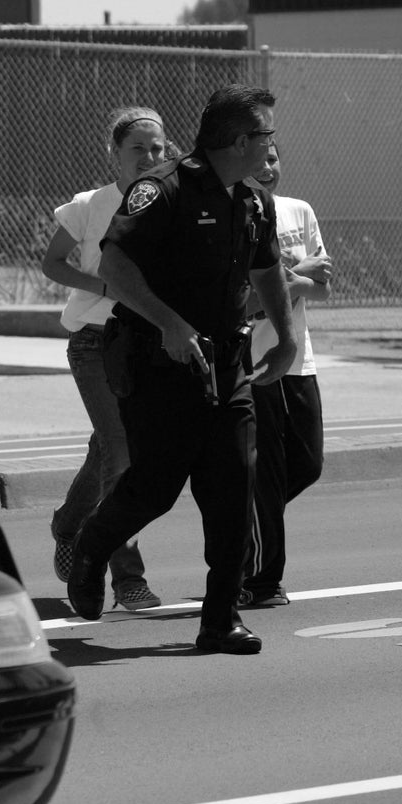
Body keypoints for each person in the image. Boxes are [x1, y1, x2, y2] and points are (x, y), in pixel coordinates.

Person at [65, 84, 296, 655]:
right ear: (242, 140)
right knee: (155, 487)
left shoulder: (252, 200)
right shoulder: (161, 189)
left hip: (228, 365)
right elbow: (115, 267)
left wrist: (286, 339)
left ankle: (219, 619)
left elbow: (267, 269)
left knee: (233, 484)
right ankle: (93, 546)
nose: (271, 145)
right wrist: (168, 323)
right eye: (266, 134)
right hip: (157, 361)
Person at [40, 107, 167, 612]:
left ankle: (68, 526)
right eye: (138, 148)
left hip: (147, 344)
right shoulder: (91, 206)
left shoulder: (171, 201)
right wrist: (104, 285)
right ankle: (125, 577)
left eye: (157, 148)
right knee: (122, 455)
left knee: (108, 449)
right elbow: (53, 263)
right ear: (114, 152)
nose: (150, 157)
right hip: (95, 342)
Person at [240, 143, 333, 606]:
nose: (267, 168)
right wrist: (296, 275)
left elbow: (323, 287)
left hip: (298, 359)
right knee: (267, 473)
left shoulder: (300, 211)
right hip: (254, 364)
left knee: (307, 464)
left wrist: (295, 281)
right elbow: (245, 299)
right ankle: (260, 581)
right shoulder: (234, 215)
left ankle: (242, 531)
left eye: (273, 159)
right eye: (257, 161)